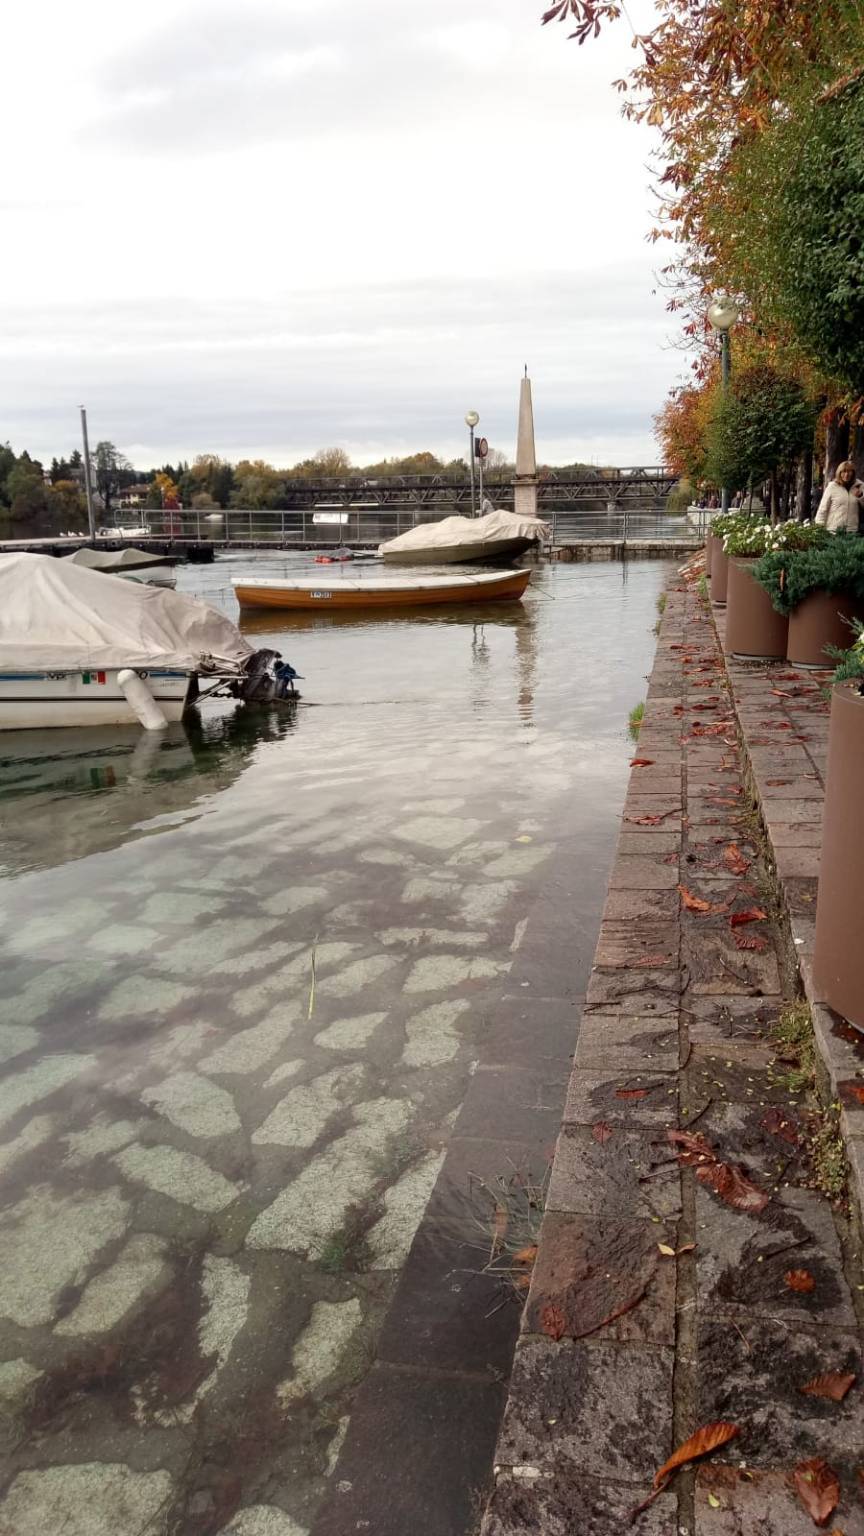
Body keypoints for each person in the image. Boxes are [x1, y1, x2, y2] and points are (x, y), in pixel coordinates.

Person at [815, 460, 864, 533]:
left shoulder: (860, 485)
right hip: (834, 531)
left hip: (852, 531)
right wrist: (819, 529)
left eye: (849, 471)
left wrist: (860, 496)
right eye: (844, 471)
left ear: (853, 473)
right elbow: (823, 509)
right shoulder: (832, 486)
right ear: (839, 473)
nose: (846, 474)